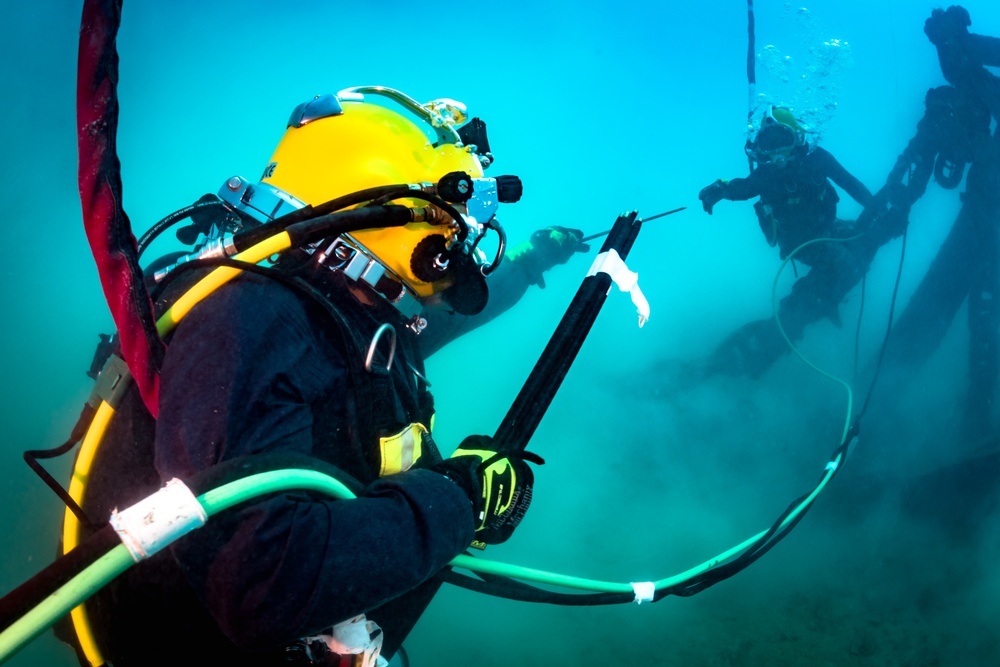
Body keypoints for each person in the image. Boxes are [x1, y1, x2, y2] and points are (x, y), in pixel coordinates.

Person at [60, 86, 588, 667]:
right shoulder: (251, 321)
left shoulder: (349, 318)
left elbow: (460, 319)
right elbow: (260, 584)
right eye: (452, 221)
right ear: (389, 211)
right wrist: (458, 500)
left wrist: (536, 257)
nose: (462, 245)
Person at [864, 5, 1000, 439]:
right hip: (984, 210)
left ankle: (970, 421)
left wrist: (952, 40)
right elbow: (970, 76)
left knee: (971, 311)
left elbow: (972, 74)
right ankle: (874, 409)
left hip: (984, 209)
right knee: (967, 310)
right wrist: (951, 40)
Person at [695, 106, 875, 377]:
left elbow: (851, 184)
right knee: (847, 264)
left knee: (858, 237)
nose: (777, 153)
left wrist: (876, 207)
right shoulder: (767, 174)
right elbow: (742, 188)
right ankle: (810, 302)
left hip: (825, 228)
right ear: (761, 148)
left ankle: (821, 300)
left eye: (783, 141)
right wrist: (720, 188)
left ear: (797, 138)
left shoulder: (817, 158)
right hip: (798, 242)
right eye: (769, 145)